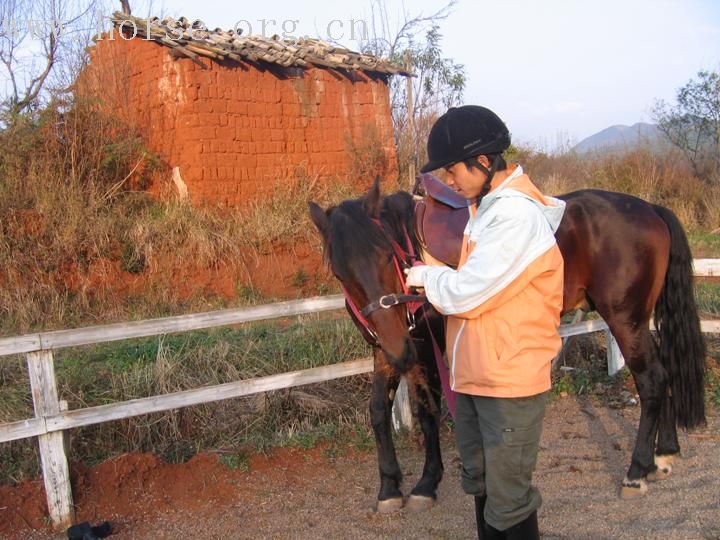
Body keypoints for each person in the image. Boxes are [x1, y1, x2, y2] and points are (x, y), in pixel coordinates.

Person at [404, 105, 565, 540]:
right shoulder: (487, 210)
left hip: (509, 382)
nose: (448, 181)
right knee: (480, 483)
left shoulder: (515, 216)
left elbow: (469, 293)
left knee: (508, 500)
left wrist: (428, 275)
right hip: (478, 376)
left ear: (483, 160)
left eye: (452, 169)